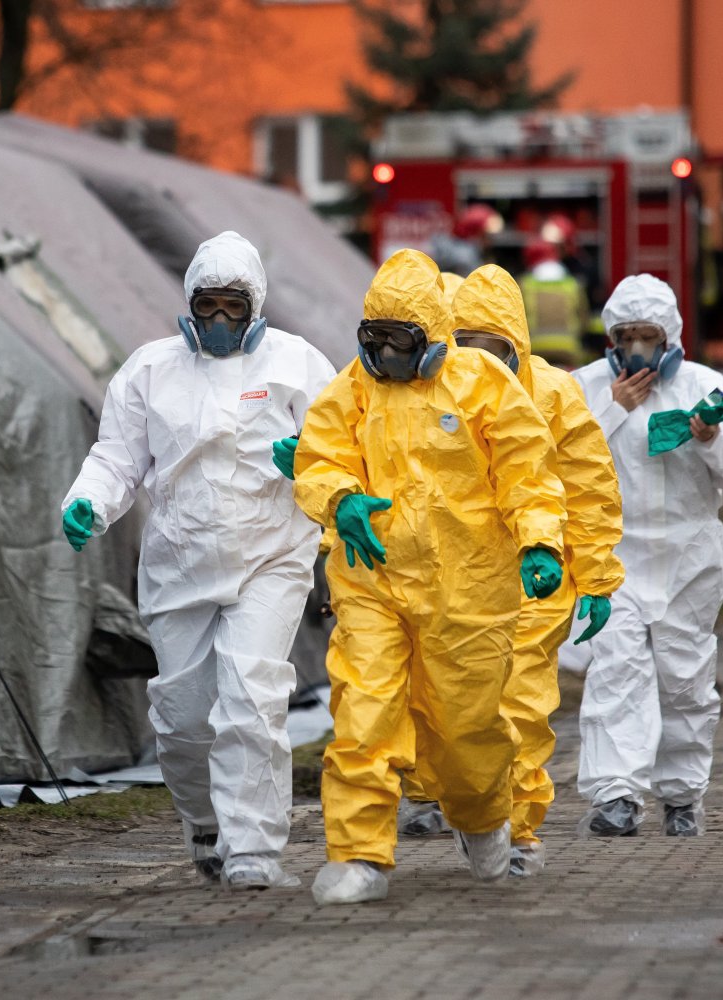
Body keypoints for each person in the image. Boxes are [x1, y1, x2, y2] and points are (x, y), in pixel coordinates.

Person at [292, 249, 568, 905]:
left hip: (468, 590)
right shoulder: (351, 389)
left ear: (434, 339)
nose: (384, 356)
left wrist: (540, 542)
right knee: (363, 711)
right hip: (372, 580)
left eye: (400, 341)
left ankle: (482, 819)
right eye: (374, 340)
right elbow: (318, 457)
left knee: (470, 731)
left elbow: (528, 473)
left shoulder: (483, 385)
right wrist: (339, 499)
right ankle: (359, 854)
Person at [60, 232, 336, 889]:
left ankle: (255, 852)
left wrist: (315, 462)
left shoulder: (295, 364)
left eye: (232, 307)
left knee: (252, 699)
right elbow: (118, 458)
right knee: (181, 719)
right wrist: (88, 502)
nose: (218, 320)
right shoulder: (151, 370)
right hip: (179, 560)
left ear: (255, 306)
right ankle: (206, 826)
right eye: (207, 305)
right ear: (188, 304)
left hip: (271, 554)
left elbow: (346, 441)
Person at [402, 265, 625, 876]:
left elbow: (588, 486)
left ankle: (520, 832)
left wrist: (597, 573)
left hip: (537, 576)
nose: (481, 363)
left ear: (516, 345)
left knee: (520, 705)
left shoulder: (551, 393)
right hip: (457, 578)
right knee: (448, 700)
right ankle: (453, 800)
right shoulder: (436, 392)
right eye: (467, 346)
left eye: (492, 348)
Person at [571, 274, 723, 837]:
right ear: (610, 338)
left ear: (671, 336)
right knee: (616, 671)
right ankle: (616, 797)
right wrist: (610, 410)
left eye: (648, 335)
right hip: (612, 555)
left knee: (685, 678)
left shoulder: (703, 389)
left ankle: (681, 797)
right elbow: (554, 455)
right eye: (626, 335)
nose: (636, 349)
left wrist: (708, 437)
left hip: (689, 556)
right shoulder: (586, 389)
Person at [519, 239, 590, 366]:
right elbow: (584, 319)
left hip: (535, 349)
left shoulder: (525, 285)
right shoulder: (572, 284)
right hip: (568, 349)